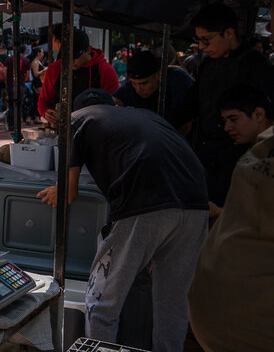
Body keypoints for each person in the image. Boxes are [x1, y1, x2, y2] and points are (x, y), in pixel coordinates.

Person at [37, 89, 208, 352]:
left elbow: (68, 192)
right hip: (195, 204)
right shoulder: (143, 116)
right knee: (172, 304)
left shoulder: (76, 120)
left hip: (144, 202)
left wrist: (54, 191)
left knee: (102, 302)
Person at [188, 85, 274, 351]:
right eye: (225, 120)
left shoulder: (254, 157)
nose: (226, 127)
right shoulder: (254, 155)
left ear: (259, 114)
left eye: (233, 119)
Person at [174, 3, 274, 211]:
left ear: (228, 33)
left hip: (241, 160)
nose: (202, 47)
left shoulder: (256, 65)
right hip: (206, 157)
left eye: (206, 40)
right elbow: (191, 104)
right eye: (199, 41)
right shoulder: (209, 64)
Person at [36, 25, 119, 127]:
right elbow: (44, 101)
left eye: (75, 57)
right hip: (61, 130)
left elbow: (114, 105)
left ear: (88, 50)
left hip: (96, 129)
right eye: (66, 58)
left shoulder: (105, 70)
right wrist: (46, 112)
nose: (70, 62)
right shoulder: (55, 69)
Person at [112, 50, 193, 123]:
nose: (138, 89)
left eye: (144, 83)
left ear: (158, 75)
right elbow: (115, 99)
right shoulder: (129, 89)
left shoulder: (178, 82)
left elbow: (186, 125)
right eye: (134, 83)